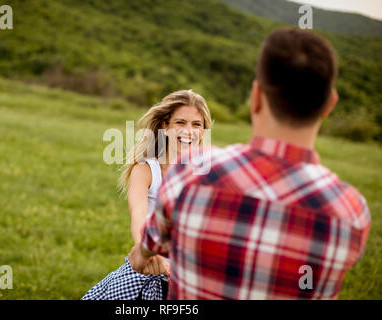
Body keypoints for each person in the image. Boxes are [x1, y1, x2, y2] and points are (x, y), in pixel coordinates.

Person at [129, 28, 371, 299]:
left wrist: (140, 255)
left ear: (256, 96)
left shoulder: (189, 177)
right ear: (330, 104)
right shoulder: (352, 213)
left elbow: (147, 248)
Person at [82, 89, 212, 299]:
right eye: (180, 122)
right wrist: (146, 253)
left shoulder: (208, 174)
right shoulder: (146, 170)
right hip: (151, 268)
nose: (188, 131)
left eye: (196, 124)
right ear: (165, 126)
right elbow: (139, 214)